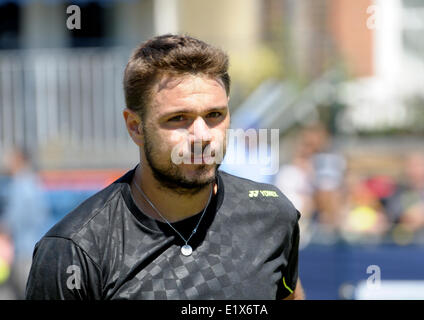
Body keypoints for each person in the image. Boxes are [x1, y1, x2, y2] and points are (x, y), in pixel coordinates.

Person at [25, 34, 304, 300]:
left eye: (214, 115)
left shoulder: (271, 216)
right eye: (179, 118)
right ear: (136, 127)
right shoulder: (75, 250)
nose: (202, 136)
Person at [0, 147, 50, 299]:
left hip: (23, 250)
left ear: (19, 160)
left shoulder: (20, 184)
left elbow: (13, 219)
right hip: (34, 247)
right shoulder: (34, 183)